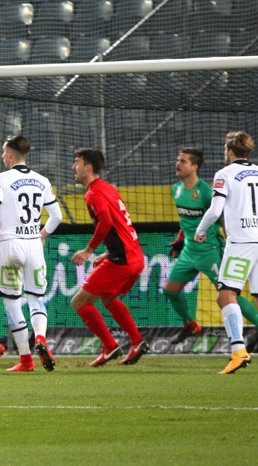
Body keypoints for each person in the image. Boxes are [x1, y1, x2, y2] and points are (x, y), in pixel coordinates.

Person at [0, 135, 63, 372]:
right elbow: (57, 217)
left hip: (10, 246)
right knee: (36, 298)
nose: (2, 156)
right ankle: (41, 339)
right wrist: (42, 235)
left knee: (12, 302)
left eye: (4, 152)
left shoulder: (1, 179)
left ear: (11, 154)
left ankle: (26, 359)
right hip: (34, 245)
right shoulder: (42, 180)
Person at [164, 147, 258, 345]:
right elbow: (186, 222)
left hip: (210, 251)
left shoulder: (206, 192)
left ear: (195, 167)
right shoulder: (176, 189)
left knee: (227, 293)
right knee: (170, 290)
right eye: (178, 160)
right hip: (189, 251)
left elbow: (222, 219)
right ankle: (190, 325)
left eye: (183, 161)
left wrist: (230, 242)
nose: (178, 164)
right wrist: (180, 239)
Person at [69, 148, 148, 367]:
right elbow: (123, 225)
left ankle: (110, 346)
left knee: (78, 301)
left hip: (123, 260)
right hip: (133, 256)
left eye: (77, 162)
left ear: (88, 167)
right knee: (107, 298)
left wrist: (88, 250)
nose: (73, 167)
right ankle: (135, 341)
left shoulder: (94, 193)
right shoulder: (108, 189)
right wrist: (107, 253)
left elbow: (106, 222)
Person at [194, 131, 258, 374]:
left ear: (230, 151)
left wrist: (200, 230)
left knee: (225, 296)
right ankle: (239, 351)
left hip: (241, 241)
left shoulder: (225, 174)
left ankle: (239, 351)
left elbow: (215, 209)